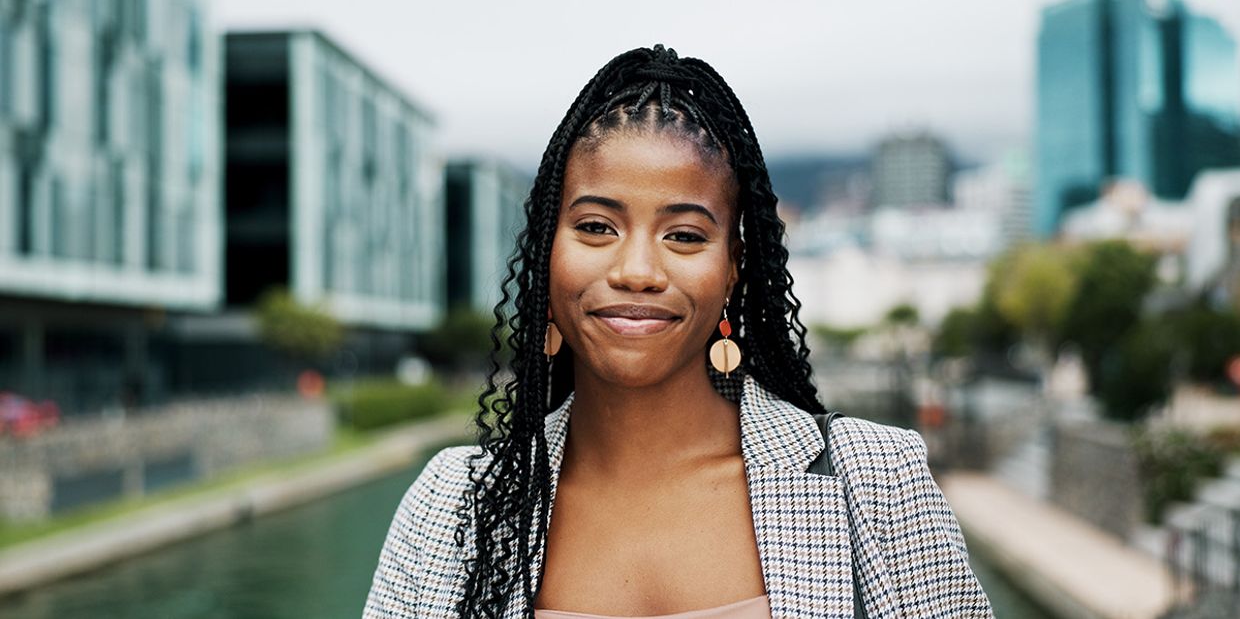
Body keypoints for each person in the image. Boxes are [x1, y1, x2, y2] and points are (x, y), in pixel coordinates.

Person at [364, 44, 993, 619]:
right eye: (595, 227)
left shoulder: (876, 483)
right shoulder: (454, 505)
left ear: (732, 273)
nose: (637, 271)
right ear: (546, 256)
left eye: (684, 236)